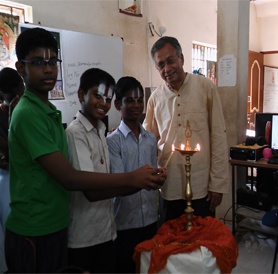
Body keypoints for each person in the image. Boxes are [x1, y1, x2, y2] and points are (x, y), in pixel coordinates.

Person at [5, 27, 167, 273]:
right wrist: (134, 179)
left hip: (61, 227)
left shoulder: (53, 114)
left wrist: (142, 180)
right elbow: (71, 179)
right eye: (38, 62)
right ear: (20, 68)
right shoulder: (29, 114)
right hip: (36, 229)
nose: (48, 69)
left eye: (52, 61)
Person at [143, 36, 229, 221]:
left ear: (181, 58)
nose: (167, 68)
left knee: (202, 244)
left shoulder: (205, 87)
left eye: (171, 60)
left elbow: (219, 137)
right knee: (172, 243)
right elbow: (148, 141)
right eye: (161, 65)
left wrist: (217, 184)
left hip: (202, 186)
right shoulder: (155, 99)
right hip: (169, 185)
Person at [66, 68, 117, 273]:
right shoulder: (75, 133)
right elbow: (91, 190)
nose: (104, 104)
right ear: (81, 94)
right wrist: (133, 181)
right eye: (98, 95)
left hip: (106, 231)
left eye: (108, 98)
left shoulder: (101, 130)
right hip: (84, 238)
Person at [106, 76, 159, 273]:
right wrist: (146, 180)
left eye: (139, 100)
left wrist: (159, 177)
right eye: (130, 100)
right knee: (127, 268)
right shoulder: (112, 141)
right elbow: (119, 184)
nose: (136, 105)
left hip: (150, 218)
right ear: (118, 104)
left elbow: (152, 173)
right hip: (125, 222)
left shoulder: (150, 139)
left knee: (149, 267)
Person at [0, 67, 24, 273]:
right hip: (5, 179)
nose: (19, 96)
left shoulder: (27, 109)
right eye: (13, 94)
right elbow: (10, 146)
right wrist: (11, 115)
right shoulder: (7, 112)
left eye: (21, 90)